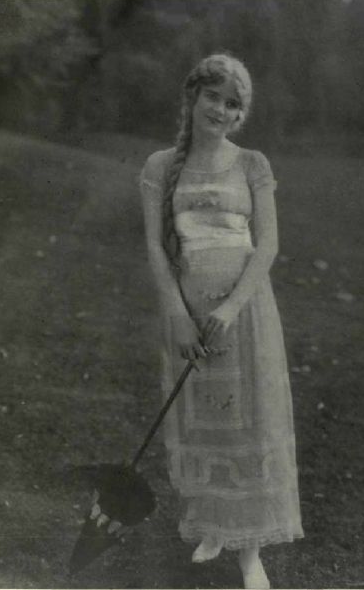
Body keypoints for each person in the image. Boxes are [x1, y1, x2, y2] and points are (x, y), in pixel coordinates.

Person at [139, 53, 303, 589]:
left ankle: (249, 552)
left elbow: (268, 245)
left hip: (244, 310)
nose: (222, 110)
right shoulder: (161, 166)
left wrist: (231, 308)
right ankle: (214, 525)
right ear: (193, 96)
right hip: (188, 309)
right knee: (203, 419)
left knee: (248, 421)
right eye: (214, 96)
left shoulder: (252, 164)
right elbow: (157, 248)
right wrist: (179, 316)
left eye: (234, 104)